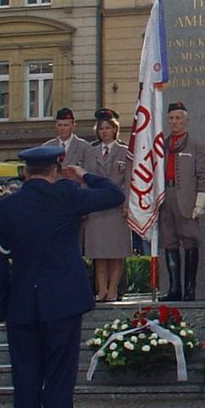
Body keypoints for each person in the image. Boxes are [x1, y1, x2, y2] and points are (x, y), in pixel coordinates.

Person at [0, 143, 124, 408]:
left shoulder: (2, 207)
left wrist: (5, 308)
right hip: (64, 301)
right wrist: (85, 174)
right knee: (60, 379)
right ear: (55, 169)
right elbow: (115, 195)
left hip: (22, 303)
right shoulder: (67, 194)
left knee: (25, 380)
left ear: (24, 172)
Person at [157, 102, 205, 301]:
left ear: (186, 120)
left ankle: (190, 289)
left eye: (178, 118)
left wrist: (200, 203)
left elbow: (204, 176)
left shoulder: (196, 145)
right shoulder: (161, 144)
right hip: (165, 196)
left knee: (190, 241)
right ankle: (174, 289)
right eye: (171, 118)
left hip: (187, 199)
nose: (174, 122)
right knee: (169, 242)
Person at [83, 111, 133, 302]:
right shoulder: (91, 152)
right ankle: (101, 289)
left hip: (117, 208)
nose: (104, 132)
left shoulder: (124, 151)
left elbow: (129, 180)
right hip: (96, 207)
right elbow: (85, 180)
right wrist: (85, 205)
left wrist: (128, 204)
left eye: (108, 128)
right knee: (99, 252)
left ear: (115, 129)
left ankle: (113, 289)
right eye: (101, 128)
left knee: (116, 251)